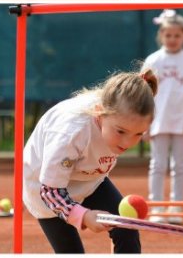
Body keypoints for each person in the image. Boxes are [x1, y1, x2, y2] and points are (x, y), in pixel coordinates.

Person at [23, 69, 157, 253]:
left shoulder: (120, 116)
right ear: (99, 113)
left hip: (89, 180)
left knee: (126, 228)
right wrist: (83, 216)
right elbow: (50, 191)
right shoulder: (71, 133)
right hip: (44, 188)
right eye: (120, 131)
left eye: (138, 134)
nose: (127, 143)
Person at [142, 10, 183, 223]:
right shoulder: (153, 60)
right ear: (161, 35)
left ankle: (177, 208)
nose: (172, 39)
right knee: (157, 164)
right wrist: (144, 121)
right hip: (157, 121)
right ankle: (157, 208)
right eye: (168, 35)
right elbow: (143, 93)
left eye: (177, 35)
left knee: (179, 165)